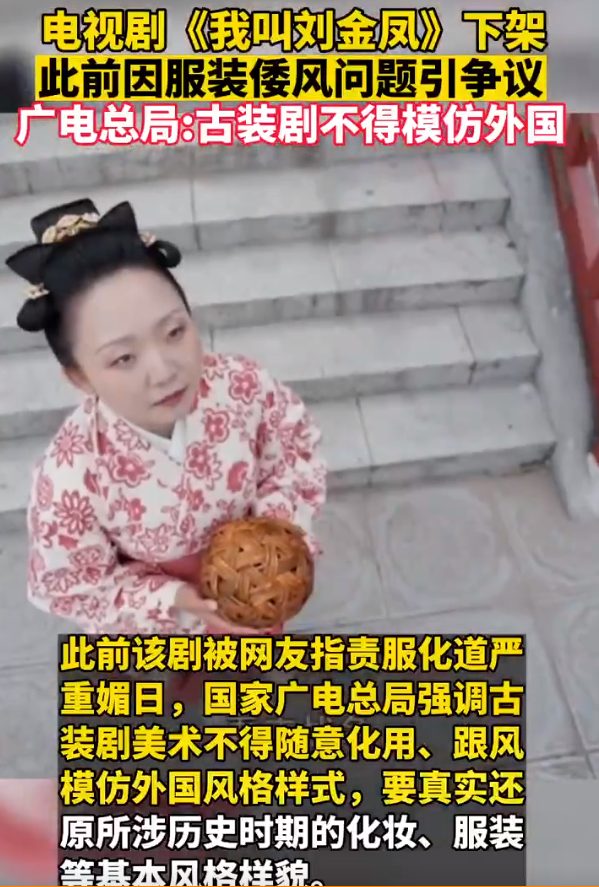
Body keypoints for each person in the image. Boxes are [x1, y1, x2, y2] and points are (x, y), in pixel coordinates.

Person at [6, 198, 327, 636]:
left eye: (174, 332)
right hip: (172, 617)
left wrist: (270, 541)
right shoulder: (69, 477)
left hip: (256, 582)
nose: (164, 371)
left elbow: (293, 448)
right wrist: (171, 599)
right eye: (123, 357)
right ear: (80, 377)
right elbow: (79, 586)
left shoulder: (241, 384)